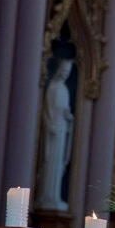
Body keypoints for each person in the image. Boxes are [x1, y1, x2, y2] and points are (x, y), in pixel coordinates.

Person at [37, 59, 74, 210]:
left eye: (68, 73)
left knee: (58, 164)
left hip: (62, 127)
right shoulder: (52, 87)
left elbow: (66, 111)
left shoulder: (65, 89)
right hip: (53, 127)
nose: (65, 75)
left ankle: (54, 196)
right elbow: (47, 110)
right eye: (64, 71)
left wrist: (69, 118)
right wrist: (50, 123)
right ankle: (46, 196)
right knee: (50, 161)